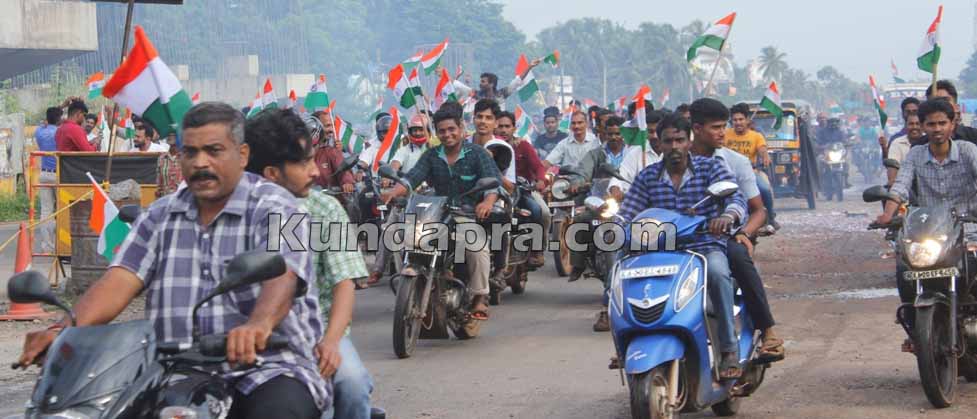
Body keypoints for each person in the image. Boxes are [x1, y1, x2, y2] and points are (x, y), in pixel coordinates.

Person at [16, 102, 330, 418]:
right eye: (190, 152)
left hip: (269, 367)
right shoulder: (158, 215)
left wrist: (258, 325)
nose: (200, 162)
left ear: (243, 155)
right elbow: (119, 279)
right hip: (172, 372)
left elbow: (285, 277)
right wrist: (63, 328)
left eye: (214, 151)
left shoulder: (283, 208)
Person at [243, 108, 376, 419]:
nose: (316, 171)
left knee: (353, 385)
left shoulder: (325, 208)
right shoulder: (237, 210)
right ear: (271, 173)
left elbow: (345, 281)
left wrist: (330, 341)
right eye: (304, 163)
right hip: (249, 336)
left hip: (318, 334)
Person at [617, 111, 747, 379]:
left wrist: (726, 216)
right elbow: (628, 211)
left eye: (679, 140)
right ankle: (627, 342)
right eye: (667, 141)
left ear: (688, 141)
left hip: (704, 246)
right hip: (660, 251)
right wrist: (613, 226)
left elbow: (736, 199)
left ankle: (728, 349)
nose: (674, 147)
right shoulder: (647, 176)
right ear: (659, 144)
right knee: (622, 274)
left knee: (718, 274)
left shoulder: (711, 168)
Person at [380, 104, 502, 322]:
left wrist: (487, 202)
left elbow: (493, 185)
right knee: (402, 236)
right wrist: (392, 192)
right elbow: (411, 179)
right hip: (436, 213)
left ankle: (480, 296)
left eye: (451, 129)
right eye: (442, 131)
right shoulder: (431, 155)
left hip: (465, 214)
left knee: (478, 247)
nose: (447, 134)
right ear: (436, 132)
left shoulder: (478, 154)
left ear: (461, 128)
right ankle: (427, 277)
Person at [876, 98, 977, 351]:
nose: (937, 129)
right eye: (930, 124)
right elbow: (900, 186)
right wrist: (888, 214)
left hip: (969, 228)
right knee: (903, 270)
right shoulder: (915, 155)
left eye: (942, 123)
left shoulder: (967, 151)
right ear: (922, 126)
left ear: (952, 124)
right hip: (931, 230)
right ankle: (915, 331)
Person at [689, 98, 784, 362]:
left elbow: (758, 210)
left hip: (725, 235)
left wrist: (744, 232)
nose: (723, 133)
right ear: (696, 129)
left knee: (738, 256)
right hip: (684, 237)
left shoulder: (736, 162)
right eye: (716, 127)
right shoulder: (676, 162)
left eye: (724, 126)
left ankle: (769, 332)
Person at [565, 115, 626, 331]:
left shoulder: (634, 154)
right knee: (579, 221)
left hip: (629, 205)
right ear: (603, 134)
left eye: (618, 133)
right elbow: (581, 172)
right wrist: (576, 183)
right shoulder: (595, 154)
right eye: (610, 134)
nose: (614, 137)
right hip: (601, 202)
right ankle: (578, 263)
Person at [496, 110, 550, 267]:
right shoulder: (490, 145)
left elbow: (538, 166)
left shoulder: (523, 145)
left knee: (541, 211)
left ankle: (537, 250)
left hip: (523, 190)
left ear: (514, 128)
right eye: (500, 126)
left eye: (507, 126)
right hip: (496, 191)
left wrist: (540, 181)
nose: (503, 130)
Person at [726, 103, 777, 229]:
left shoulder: (756, 136)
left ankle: (770, 217)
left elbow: (762, 149)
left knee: (764, 189)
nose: (738, 122)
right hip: (727, 174)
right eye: (735, 120)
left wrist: (765, 155)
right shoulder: (725, 134)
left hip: (750, 173)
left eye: (741, 119)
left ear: (747, 120)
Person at [608, 110, 664, 202]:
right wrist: (615, 189)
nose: (654, 136)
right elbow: (621, 175)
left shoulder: (674, 153)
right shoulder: (636, 154)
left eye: (657, 132)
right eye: (650, 131)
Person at [35, 107, 61, 253]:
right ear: (58, 119)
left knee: (46, 211)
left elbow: (43, 122)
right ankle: (61, 245)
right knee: (61, 209)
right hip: (58, 174)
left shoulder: (40, 131)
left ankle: (46, 246)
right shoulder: (59, 132)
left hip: (44, 174)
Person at [311, 112, 355, 193]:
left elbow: (342, 169)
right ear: (315, 127)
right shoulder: (301, 151)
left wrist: (347, 183)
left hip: (330, 201)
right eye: (327, 126)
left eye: (332, 125)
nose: (331, 129)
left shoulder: (332, 151)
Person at [925, 79, 977, 145]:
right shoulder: (920, 145)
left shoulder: (973, 137)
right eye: (935, 101)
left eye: (945, 100)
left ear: (957, 107)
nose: (940, 105)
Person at [885, 113, 924, 186]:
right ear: (906, 126)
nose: (914, 127)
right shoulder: (897, 143)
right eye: (911, 124)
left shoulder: (930, 141)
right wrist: (892, 181)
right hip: (903, 185)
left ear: (923, 126)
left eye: (917, 124)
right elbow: (893, 165)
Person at [156, 130, 183, 197]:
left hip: (182, 198)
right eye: (169, 135)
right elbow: (159, 183)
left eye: (173, 135)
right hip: (166, 199)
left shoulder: (185, 157)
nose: (170, 136)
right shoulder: (162, 158)